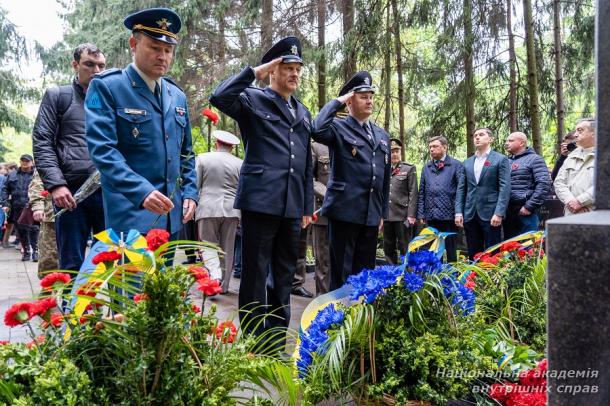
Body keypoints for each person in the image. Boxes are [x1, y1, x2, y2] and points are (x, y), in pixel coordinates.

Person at [209, 36, 313, 349]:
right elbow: (219, 97)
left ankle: (276, 338)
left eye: (298, 68)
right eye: (288, 67)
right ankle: (254, 340)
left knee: (283, 274)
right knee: (254, 274)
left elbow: (305, 162)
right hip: (260, 201)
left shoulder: (303, 112)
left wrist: (306, 205)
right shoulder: (253, 99)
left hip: (292, 205)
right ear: (273, 70)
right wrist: (254, 71)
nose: (295, 74)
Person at [85, 8, 197, 239]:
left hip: (172, 219)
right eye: (155, 48)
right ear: (133, 45)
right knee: (132, 277)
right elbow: (103, 150)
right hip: (131, 215)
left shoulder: (177, 96)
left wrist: (190, 193)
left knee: (168, 276)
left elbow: (186, 154)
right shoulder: (108, 87)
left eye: (168, 50)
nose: (163, 56)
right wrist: (142, 191)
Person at [312, 71, 391, 290]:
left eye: (371, 96)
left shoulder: (381, 134)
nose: (369, 100)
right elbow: (316, 128)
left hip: (370, 214)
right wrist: (337, 101)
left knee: (366, 273)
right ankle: (338, 320)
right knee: (341, 273)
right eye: (363, 96)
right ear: (349, 101)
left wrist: (382, 213)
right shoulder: (338, 127)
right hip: (344, 212)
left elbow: (384, 178)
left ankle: (360, 320)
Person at [33, 43, 107, 272]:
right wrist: (56, 185)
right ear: (75, 65)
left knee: (108, 261)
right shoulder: (58, 95)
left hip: (108, 192)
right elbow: (42, 141)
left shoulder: (112, 99)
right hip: (70, 194)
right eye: (89, 64)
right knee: (71, 264)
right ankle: (73, 308)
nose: (96, 70)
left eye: (101, 65)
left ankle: (109, 308)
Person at [195, 130, 243, 294]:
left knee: (208, 244)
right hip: (232, 210)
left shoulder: (203, 158)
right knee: (227, 248)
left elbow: (196, 185)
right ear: (231, 147)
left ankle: (214, 276)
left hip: (207, 208)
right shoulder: (240, 163)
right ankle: (224, 286)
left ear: (216, 143)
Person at [455, 128, 510, 259]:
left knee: (493, 252)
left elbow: (505, 187)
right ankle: (473, 278)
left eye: (481, 135)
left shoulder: (500, 159)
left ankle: (491, 278)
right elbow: (461, 188)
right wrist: (458, 212)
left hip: (491, 214)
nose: (477, 138)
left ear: (490, 139)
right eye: (475, 136)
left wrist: (499, 213)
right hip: (470, 214)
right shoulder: (467, 162)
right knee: (473, 252)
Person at [417, 136, 464, 262]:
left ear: (445, 147)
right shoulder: (426, 167)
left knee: (451, 248)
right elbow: (422, 191)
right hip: (431, 215)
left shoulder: (456, 165)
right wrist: (421, 213)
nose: (431, 149)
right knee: (434, 248)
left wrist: (459, 212)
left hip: (449, 215)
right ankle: (435, 275)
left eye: (435, 146)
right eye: (430, 147)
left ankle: (452, 276)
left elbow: (461, 190)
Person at [503, 132, 550, 238]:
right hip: (508, 212)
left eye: (510, 141)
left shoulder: (535, 159)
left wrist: (529, 206)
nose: (506, 143)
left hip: (526, 212)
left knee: (529, 248)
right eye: (506, 141)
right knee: (509, 249)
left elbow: (544, 184)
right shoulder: (506, 161)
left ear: (522, 142)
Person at [384, 138, 418, 264]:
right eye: (392, 151)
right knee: (388, 247)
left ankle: (407, 274)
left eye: (397, 151)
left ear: (400, 152)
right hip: (387, 215)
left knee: (405, 246)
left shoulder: (409, 168)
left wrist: (411, 215)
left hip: (402, 216)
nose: (394, 154)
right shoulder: (383, 169)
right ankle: (391, 274)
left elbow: (413, 193)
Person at [554, 118, 596, 215]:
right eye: (576, 131)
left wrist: (580, 201)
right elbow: (558, 182)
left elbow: (605, 185)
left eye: (580, 131)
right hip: (571, 213)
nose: (575, 134)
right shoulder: (571, 156)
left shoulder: (605, 155)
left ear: (594, 132)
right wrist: (571, 201)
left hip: (596, 214)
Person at [1, 155, 38, 261]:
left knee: (34, 229)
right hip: (17, 206)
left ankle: (35, 251)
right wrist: (5, 203)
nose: (25, 163)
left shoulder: (37, 174)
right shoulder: (12, 175)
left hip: (32, 205)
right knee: (20, 230)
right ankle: (26, 252)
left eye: (27, 161)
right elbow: (5, 189)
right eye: (23, 161)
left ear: (31, 162)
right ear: (20, 162)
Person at [28, 170, 58, 276]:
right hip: (53, 214)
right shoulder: (49, 155)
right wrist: (37, 207)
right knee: (50, 253)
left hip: (84, 211)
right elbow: (37, 184)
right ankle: (50, 285)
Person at [311, 141, 331, 295]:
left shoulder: (352, 145)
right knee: (323, 260)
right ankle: (322, 300)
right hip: (322, 210)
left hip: (346, 214)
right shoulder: (317, 147)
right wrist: (330, 194)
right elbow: (309, 178)